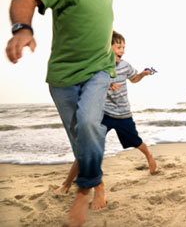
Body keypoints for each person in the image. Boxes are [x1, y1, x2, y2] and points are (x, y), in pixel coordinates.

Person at [5, 0, 124, 227]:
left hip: (98, 72)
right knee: (78, 138)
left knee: (89, 124)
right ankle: (94, 182)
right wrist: (22, 29)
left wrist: (111, 69)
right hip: (62, 78)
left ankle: (84, 189)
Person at [55, 31, 157, 207]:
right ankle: (66, 184)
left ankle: (149, 155)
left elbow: (134, 79)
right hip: (102, 114)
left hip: (123, 113)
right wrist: (107, 83)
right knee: (87, 149)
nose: (122, 50)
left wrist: (143, 74)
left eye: (123, 47)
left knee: (135, 141)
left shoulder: (125, 66)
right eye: (118, 46)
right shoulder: (97, 67)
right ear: (106, 48)